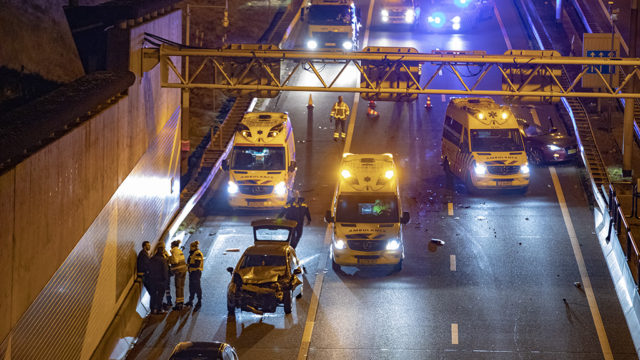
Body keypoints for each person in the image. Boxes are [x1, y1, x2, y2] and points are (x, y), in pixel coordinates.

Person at [148, 243, 169, 315]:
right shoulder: (163, 260)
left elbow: (149, 269)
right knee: (160, 296)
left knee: (153, 295)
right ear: (162, 250)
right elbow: (165, 272)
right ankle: (159, 309)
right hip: (161, 281)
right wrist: (166, 280)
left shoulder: (152, 259)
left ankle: (152, 309)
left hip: (152, 280)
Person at [185, 241, 204, 311]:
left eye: (191, 247)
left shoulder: (198, 253)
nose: (190, 248)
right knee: (191, 287)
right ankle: (191, 301)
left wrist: (188, 265)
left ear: (194, 247)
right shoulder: (192, 253)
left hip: (196, 272)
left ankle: (199, 301)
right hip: (192, 272)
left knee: (197, 287)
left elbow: (197, 264)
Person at [170, 240, 188, 310]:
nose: (170, 247)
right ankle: (181, 302)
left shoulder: (174, 251)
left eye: (171, 245)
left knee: (178, 287)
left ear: (173, 246)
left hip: (178, 272)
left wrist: (169, 258)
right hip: (184, 271)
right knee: (181, 287)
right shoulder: (180, 251)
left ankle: (178, 304)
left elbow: (175, 261)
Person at [160, 244, 173, 310]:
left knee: (165, 289)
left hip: (165, 274)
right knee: (167, 289)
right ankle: (168, 301)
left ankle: (168, 302)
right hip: (166, 273)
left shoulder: (164, 255)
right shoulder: (165, 254)